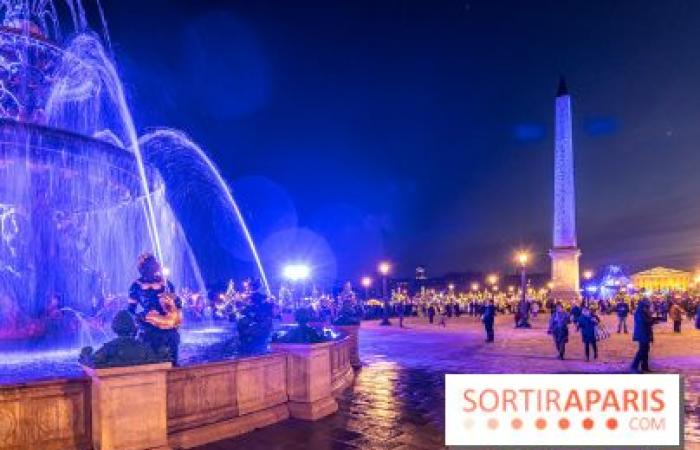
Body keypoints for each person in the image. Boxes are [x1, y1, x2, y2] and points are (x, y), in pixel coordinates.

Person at [128, 253, 182, 365]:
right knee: (150, 351)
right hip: (148, 322)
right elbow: (130, 309)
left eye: (154, 262)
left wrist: (176, 301)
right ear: (142, 267)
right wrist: (137, 317)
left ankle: (173, 366)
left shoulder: (166, 283)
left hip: (167, 321)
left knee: (172, 344)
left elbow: (176, 303)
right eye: (149, 263)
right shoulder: (136, 285)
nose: (154, 265)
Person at [631, 299, 655, 373]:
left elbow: (648, 321)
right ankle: (634, 366)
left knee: (646, 350)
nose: (648, 307)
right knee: (642, 351)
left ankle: (644, 366)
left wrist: (653, 320)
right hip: (642, 334)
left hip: (645, 333)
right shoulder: (640, 312)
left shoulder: (644, 312)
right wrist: (652, 321)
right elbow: (644, 322)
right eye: (647, 305)